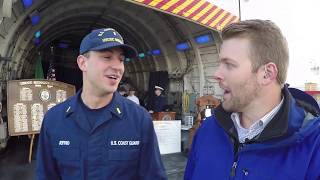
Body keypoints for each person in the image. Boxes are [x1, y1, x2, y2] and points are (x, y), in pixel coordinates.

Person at [184, 19, 320, 180]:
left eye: (229, 64)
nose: (217, 74)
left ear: (267, 74)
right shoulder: (207, 131)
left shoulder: (314, 145)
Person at [36, 28, 167, 180]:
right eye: (107, 57)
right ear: (83, 63)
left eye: (121, 59)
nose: (118, 67)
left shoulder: (139, 120)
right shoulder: (55, 120)